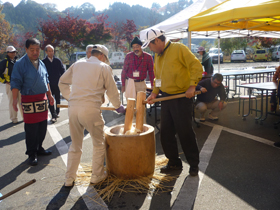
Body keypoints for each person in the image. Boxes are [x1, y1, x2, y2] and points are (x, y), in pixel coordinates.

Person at [59, 44, 125, 187]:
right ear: (102, 56)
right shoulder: (103, 67)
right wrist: (118, 105)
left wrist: (71, 97)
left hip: (73, 109)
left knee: (75, 145)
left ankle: (69, 178)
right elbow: (112, 91)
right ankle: (96, 175)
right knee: (99, 143)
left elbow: (62, 82)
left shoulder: (77, 64)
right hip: (91, 109)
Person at [143, 28, 203, 176]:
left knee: (185, 132)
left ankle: (194, 164)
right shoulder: (157, 55)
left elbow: (196, 66)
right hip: (167, 97)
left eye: (150, 45)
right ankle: (174, 163)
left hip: (182, 97)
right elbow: (158, 78)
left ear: (157, 40)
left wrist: (192, 86)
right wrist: (154, 94)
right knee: (166, 133)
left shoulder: (179, 48)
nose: (150, 48)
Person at [11, 38, 54, 166]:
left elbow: (46, 80)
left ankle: (39, 147)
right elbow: (15, 82)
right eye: (32, 50)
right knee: (31, 128)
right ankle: (31, 152)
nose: (35, 52)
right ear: (26, 49)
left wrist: (50, 95)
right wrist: (14, 99)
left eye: (37, 49)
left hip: (42, 99)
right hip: (29, 99)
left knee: (42, 126)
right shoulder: (20, 64)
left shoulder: (41, 63)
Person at [42, 44, 65, 122]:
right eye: (49, 51)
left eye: (52, 51)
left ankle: (57, 112)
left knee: (58, 98)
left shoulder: (57, 60)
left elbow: (62, 71)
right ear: (46, 52)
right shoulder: (43, 62)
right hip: (48, 84)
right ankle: (53, 115)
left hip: (58, 83)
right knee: (50, 99)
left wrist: (64, 80)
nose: (51, 52)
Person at [0, 46, 23, 123]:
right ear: (8, 53)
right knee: (12, 102)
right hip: (10, 85)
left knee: (22, 101)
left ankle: (25, 117)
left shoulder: (18, 61)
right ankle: (14, 119)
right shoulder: (4, 62)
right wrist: (5, 81)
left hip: (20, 85)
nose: (13, 53)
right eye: (11, 52)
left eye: (14, 52)